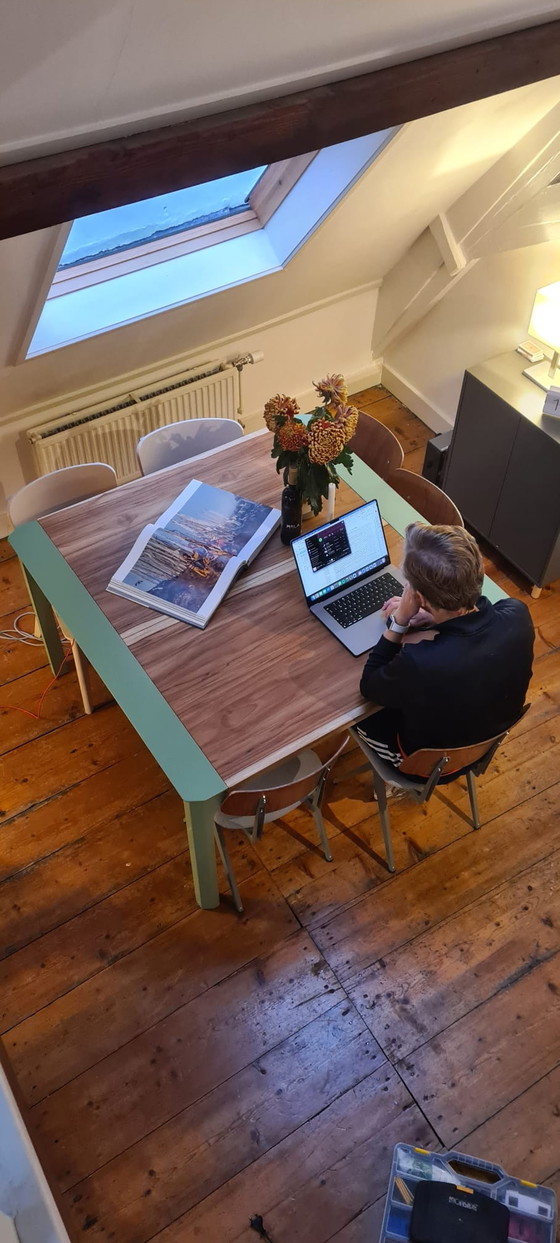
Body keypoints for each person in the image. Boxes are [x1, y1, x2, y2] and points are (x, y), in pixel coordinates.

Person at [357, 522, 534, 772]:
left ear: (420, 598)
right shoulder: (518, 614)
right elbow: (482, 610)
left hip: (426, 764)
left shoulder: (420, 663)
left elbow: (370, 686)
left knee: (355, 718)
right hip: (485, 741)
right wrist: (436, 616)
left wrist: (400, 620)